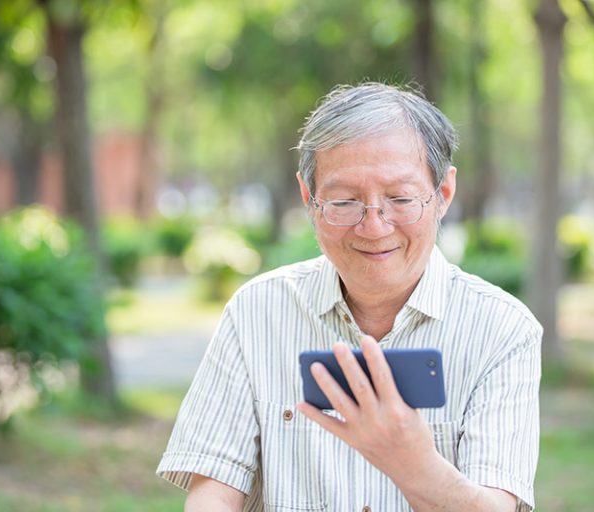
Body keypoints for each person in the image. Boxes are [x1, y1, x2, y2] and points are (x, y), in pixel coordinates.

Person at [157, 82, 542, 511]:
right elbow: (213, 493)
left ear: (443, 195)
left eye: (399, 198)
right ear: (309, 197)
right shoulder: (256, 313)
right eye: (344, 201)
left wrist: (413, 464)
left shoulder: (504, 330)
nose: (374, 226)